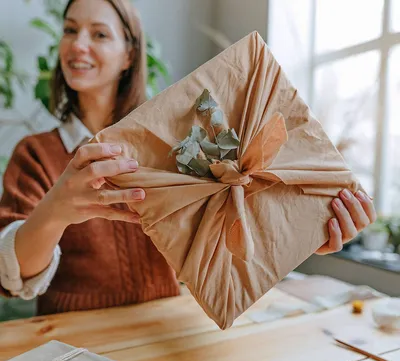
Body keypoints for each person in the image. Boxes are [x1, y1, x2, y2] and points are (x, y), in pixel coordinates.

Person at [0, 0, 376, 316]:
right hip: (74, 343)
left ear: (129, 54)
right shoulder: (36, 153)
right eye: (69, 30)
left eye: (99, 34)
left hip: (169, 329)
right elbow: (11, 277)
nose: (78, 44)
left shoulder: (181, 143)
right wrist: (56, 212)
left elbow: (216, 238)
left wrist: (302, 231)